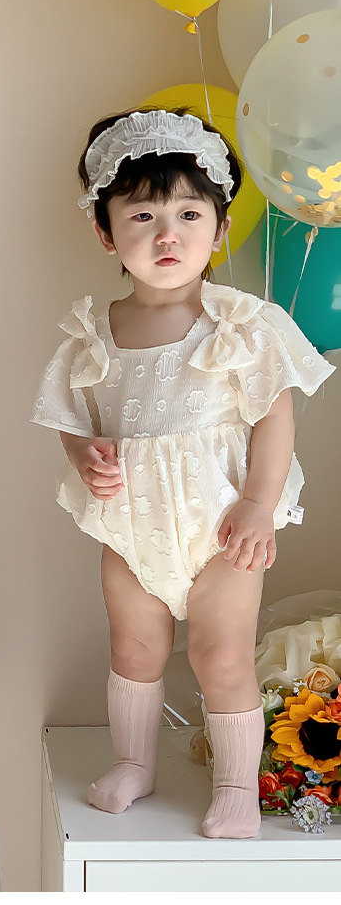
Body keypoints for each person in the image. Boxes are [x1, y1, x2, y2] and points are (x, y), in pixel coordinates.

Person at [32, 108, 335, 839]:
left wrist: (259, 503)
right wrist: (84, 455)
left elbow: (274, 418)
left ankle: (235, 787)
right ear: (107, 233)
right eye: (143, 215)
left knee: (219, 654)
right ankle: (134, 762)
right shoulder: (95, 330)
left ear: (220, 229)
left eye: (189, 214)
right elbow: (73, 416)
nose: (167, 235)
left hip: (222, 524)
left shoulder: (240, 326)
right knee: (133, 648)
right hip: (132, 526)